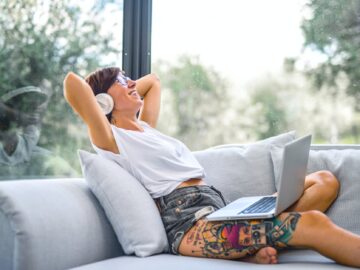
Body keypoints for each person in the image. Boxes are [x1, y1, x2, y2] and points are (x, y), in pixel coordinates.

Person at [63, 67, 360, 267]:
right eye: (121, 81)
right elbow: (72, 83)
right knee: (312, 223)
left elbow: (153, 81)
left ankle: (255, 248)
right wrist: (104, 100)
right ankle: (261, 243)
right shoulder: (112, 139)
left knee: (323, 180)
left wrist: (121, 87)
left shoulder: (145, 129)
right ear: (101, 100)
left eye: (129, 77)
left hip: (219, 209)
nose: (130, 83)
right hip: (190, 225)